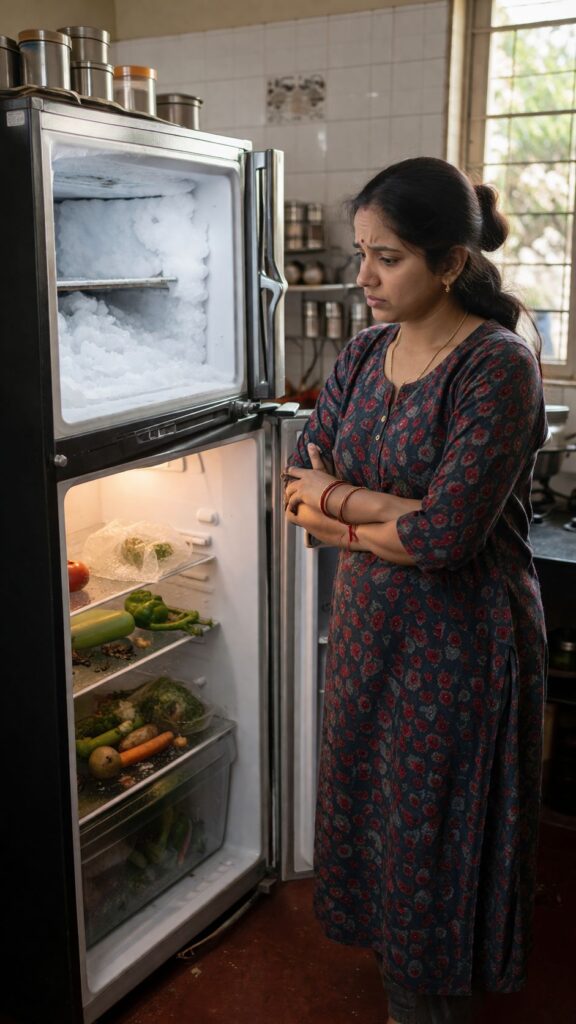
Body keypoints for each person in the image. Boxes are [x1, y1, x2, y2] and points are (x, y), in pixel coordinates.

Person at [283, 157, 547, 1024]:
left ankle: (428, 1005)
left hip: (461, 640)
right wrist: (382, 512)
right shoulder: (364, 353)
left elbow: (447, 539)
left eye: (387, 257)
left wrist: (340, 504)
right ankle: (407, 983)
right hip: (369, 628)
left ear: (450, 263)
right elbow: (296, 489)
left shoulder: (496, 366)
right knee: (375, 809)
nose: (363, 276)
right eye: (361, 252)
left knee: (437, 829)